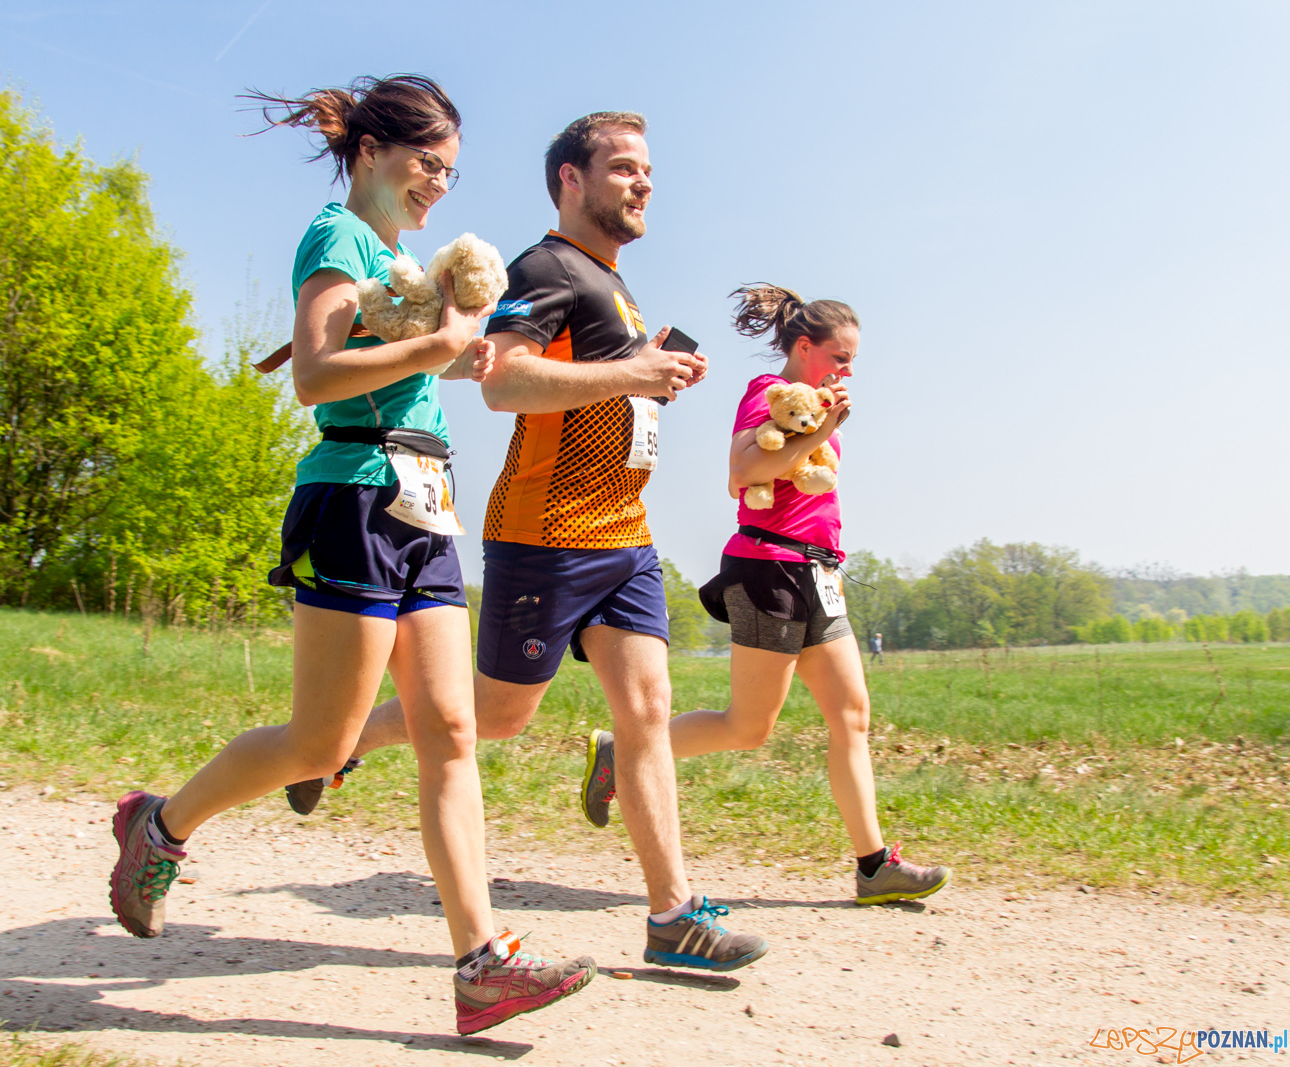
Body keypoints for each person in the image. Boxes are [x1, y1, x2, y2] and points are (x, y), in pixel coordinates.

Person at [107, 75, 596, 1036]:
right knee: (320, 744)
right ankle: (156, 827)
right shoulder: (334, 237)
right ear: (372, 148)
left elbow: (418, 356)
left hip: (428, 497)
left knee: (450, 729)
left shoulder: (402, 257)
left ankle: (480, 965)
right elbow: (319, 376)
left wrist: (471, 353)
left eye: (451, 172)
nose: (439, 186)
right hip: (356, 496)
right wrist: (437, 346)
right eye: (428, 163)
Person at [287, 111, 769, 973]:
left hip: (623, 533)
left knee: (648, 712)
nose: (644, 182)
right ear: (571, 182)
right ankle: (348, 739)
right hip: (546, 533)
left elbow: (593, 390)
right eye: (622, 168)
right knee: (498, 715)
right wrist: (633, 373)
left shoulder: (612, 282)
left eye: (648, 169)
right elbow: (501, 381)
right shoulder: (545, 266)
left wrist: (650, 372)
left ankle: (673, 916)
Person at [583, 286, 950, 907]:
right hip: (767, 574)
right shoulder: (766, 396)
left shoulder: (818, 403)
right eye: (840, 357)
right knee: (749, 726)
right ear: (804, 348)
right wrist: (825, 427)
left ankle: (872, 865)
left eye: (852, 361)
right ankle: (625, 751)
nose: (848, 371)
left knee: (851, 715)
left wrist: (826, 423)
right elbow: (743, 474)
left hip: (819, 576)